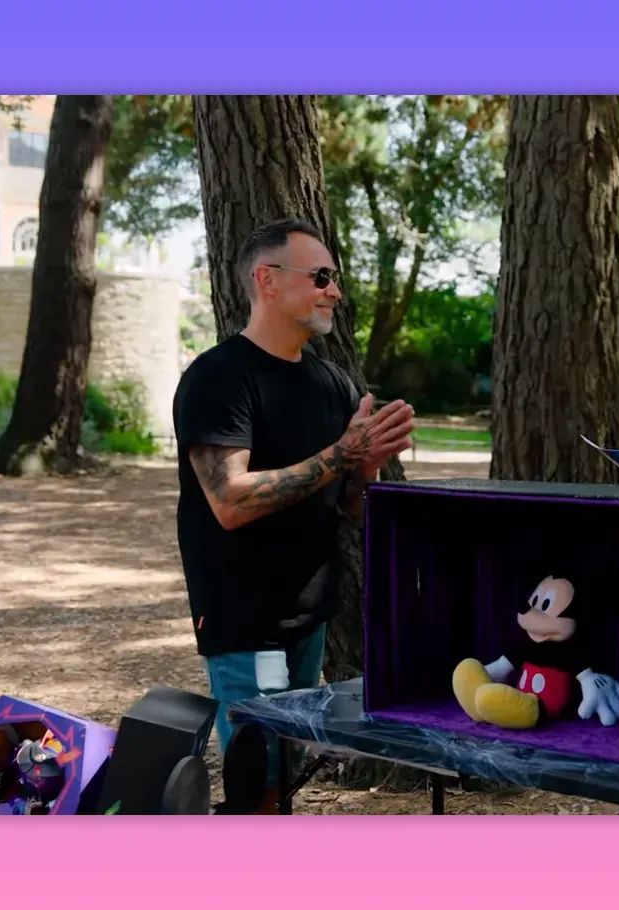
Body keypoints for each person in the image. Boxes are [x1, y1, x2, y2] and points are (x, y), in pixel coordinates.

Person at [172, 218, 415, 811]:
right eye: (322, 277)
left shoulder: (332, 383)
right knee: (259, 766)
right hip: (243, 618)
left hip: (310, 613)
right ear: (268, 280)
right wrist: (342, 455)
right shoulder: (218, 377)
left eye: (335, 279)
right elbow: (230, 501)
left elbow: (351, 506)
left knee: (290, 764)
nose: (335, 291)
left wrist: (367, 469)